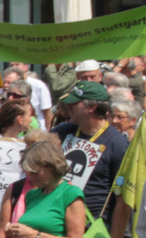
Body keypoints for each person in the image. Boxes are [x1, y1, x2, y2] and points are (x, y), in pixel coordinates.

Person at [0, 137, 86, 238]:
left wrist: (34, 236)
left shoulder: (70, 194)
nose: (30, 177)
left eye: (35, 172)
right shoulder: (32, 195)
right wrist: (18, 234)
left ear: (51, 166)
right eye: (27, 172)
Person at [51, 80, 129, 222]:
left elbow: (122, 199)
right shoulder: (62, 132)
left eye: (74, 103)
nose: (69, 107)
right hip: (57, 219)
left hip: (92, 227)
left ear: (92, 107)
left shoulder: (117, 143)